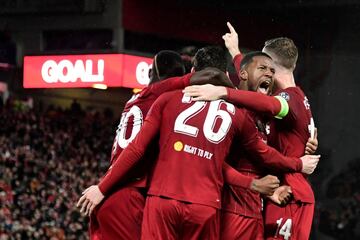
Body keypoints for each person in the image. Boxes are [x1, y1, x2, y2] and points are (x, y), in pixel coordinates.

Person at [78, 46, 320, 240]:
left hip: (158, 197)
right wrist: (295, 164)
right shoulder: (235, 111)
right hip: (209, 205)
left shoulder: (160, 98)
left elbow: (139, 148)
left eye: (271, 69)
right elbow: (259, 148)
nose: (269, 74)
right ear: (230, 76)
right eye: (263, 68)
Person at [183, 23, 319, 240]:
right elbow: (253, 85)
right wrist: (236, 53)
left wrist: (222, 91)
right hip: (275, 194)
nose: (264, 71)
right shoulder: (299, 97)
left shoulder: (287, 100)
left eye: (267, 66)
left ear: (272, 66)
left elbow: (270, 105)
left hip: (288, 194)